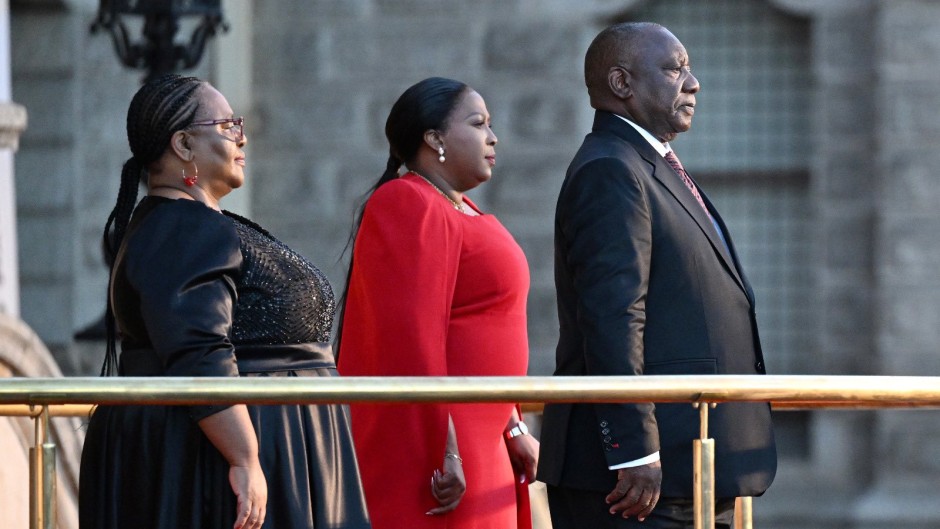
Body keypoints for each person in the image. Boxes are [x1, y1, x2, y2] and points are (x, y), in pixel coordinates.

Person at [79, 74, 371, 529]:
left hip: (273, 442)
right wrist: (243, 456)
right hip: (219, 456)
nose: (242, 137)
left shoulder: (190, 221)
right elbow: (198, 351)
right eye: (228, 125)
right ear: (184, 144)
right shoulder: (181, 226)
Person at [537, 22, 777, 529]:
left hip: (692, 464)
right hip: (638, 480)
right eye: (675, 69)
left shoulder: (650, 163)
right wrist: (633, 450)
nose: (693, 83)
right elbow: (613, 316)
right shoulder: (610, 169)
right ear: (622, 83)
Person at [336, 77, 539, 529]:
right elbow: (410, 339)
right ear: (434, 139)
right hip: (442, 442)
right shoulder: (407, 200)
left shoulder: (460, 206)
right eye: (478, 123)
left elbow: (483, 329)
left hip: (484, 437)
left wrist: (513, 426)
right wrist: (445, 447)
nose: (493, 137)